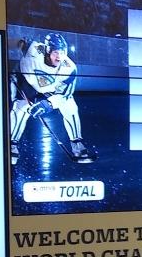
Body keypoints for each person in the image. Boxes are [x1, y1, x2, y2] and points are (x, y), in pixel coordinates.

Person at [10, 32, 95, 164]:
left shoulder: (70, 69)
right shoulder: (33, 48)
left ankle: (77, 144)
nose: (59, 56)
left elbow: (64, 95)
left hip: (49, 89)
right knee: (21, 108)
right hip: (25, 80)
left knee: (70, 106)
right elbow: (14, 42)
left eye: (62, 52)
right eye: (56, 52)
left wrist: (47, 104)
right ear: (48, 51)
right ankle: (11, 144)